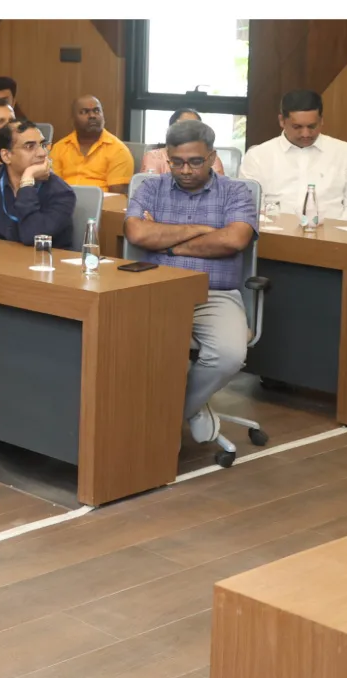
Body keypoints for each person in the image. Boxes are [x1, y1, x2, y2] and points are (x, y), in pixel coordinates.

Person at [124, 118, 259, 444]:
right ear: (167, 157)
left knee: (229, 355)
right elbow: (137, 232)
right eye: (177, 162)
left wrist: (168, 243)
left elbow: (233, 240)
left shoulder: (235, 191)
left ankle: (174, 413)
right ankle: (192, 408)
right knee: (131, 345)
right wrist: (202, 230)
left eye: (195, 162)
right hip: (156, 291)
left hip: (215, 294)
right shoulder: (150, 187)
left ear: (212, 157)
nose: (185, 170)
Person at [237, 89, 347, 223]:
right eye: (297, 127)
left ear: (321, 121)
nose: (305, 134)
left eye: (312, 126)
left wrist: (336, 233)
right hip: (273, 233)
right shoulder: (258, 156)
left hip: (333, 234)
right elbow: (247, 206)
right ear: (282, 121)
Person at [49, 95, 133, 193]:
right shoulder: (60, 147)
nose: (92, 116)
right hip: (64, 200)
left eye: (96, 111)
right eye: (84, 112)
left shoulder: (118, 150)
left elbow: (117, 196)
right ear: (73, 120)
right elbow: (52, 186)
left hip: (102, 202)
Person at [141, 109, 226, 175]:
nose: (189, 132)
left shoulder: (211, 158)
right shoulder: (154, 157)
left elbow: (218, 187)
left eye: (194, 128)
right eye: (183, 127)